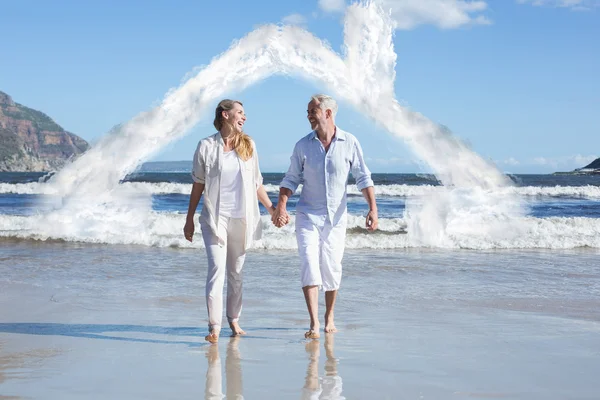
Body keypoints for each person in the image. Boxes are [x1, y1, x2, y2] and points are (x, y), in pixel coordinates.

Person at [272, 94, 378, 339]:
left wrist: (373, 207)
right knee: (309, 263)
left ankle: (329, 316)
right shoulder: (303, 145)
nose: (308, 115)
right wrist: (282, 206)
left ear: (328, 113)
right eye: (308, 111)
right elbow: (291, 179)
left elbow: (363, 177)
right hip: (308, 214)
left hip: (336, 218)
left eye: (312, 111)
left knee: (331, 267)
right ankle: (313, 322)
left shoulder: (349, 142)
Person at [183, 99, 278, 343]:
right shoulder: (205, 146)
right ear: (225, 115)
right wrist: (189, 219)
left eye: (244, 114)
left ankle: (233, 319)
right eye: (240, 113)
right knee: (216, 269)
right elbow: (198, 184)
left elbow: (257, 183)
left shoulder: (249, 146)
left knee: (236, 272)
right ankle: (214, 326)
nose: (244, 118)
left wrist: (272, 209)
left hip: (242, 218)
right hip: (215, 218)